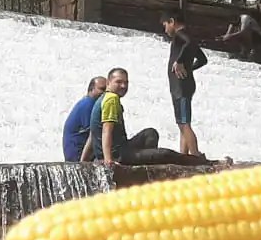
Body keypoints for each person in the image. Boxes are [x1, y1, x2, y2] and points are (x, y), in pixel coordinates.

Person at [81, 68, 163, 166]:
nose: (123, 86)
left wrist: (82, 161)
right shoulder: (111, 99)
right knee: (166, 155)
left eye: (126, 82)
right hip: (118, 156)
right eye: (118, 82)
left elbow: (92, 135)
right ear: (108, 83)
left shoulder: (102, 99)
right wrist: (108, 160)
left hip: (120, 150)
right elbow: (107, 130)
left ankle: (144, 168)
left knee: (150, 133)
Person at [163, 9, 209, 158]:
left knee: (184, 123)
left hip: (180, 87)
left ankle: (195, 155)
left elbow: (189, 43)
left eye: (165, 25)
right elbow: (203, 60)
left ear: (172, 21)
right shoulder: (187, 39)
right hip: (185, 85)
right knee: (182, 123)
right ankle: (183, 155)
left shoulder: (180, 35)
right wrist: (188, 69)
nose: (165, 30)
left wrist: (179, 61)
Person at [61, 76, 106, 162]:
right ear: (91, 89)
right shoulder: (89, 104)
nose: (105, 93)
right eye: (102, 89)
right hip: (78, 155)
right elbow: (95, 133)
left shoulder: (88, 102)